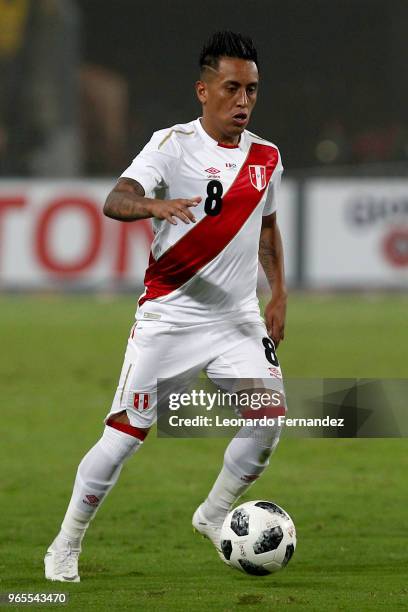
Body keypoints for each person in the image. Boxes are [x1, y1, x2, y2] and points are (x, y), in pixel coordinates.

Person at [44, 30, 287, 582]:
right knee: (124, 436)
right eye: (232, 88)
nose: (243, 101)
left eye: (252, 90)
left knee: (269, 419)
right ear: (204, 91)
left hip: (237, 321)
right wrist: (153, 203)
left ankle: (214, 513)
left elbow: (268, 228)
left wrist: (279, 293)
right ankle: (65, 544)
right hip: (169, 319)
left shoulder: (267, 158)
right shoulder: (170, 145)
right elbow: (114, 199)